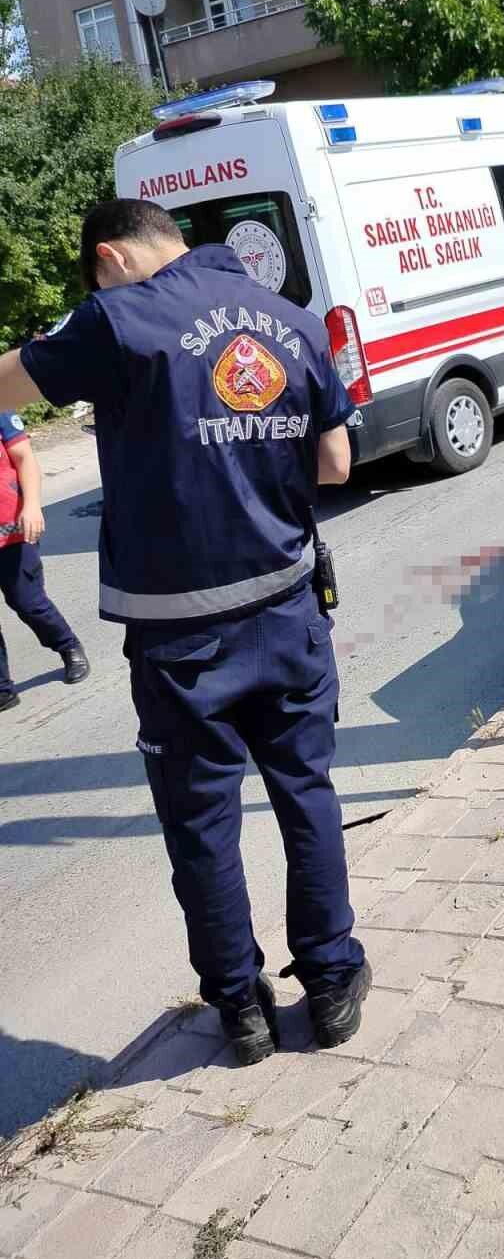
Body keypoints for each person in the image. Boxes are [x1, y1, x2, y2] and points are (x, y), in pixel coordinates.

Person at [0, 200, 369, 1067]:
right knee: (305, 792)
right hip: (286, 609)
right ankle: (330, 982)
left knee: (202, 826)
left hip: (179, 641)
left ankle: (240, 1008)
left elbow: (6, 389)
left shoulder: (118, 319)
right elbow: (338, 463)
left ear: (111, 258)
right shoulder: (294, 322)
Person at [0, 412, 89, 712]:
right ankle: (2, 689)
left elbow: (24, 458)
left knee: (28, 602)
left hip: (13, 530)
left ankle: (69, 647)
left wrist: (33, 506)